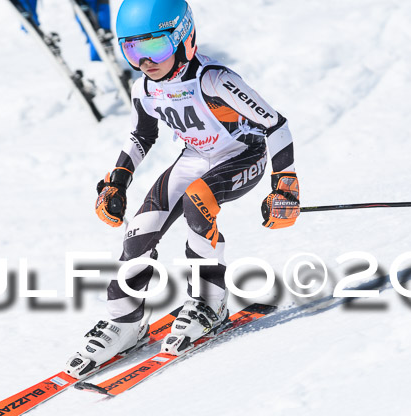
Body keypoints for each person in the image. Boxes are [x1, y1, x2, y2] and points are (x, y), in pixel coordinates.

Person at [66, 0, 299, 377]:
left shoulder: (213, 80)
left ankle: (210, 302)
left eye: (155, 47)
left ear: (183, 38)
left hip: (243, 153)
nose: (145, 61)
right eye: (132, 50)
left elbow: (275, 124)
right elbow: (141, 135)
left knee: (197, 202)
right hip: (196, 158)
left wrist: (285, 186)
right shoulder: (145, 88)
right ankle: (125, 321)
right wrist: (118, 181)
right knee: (139, 231)